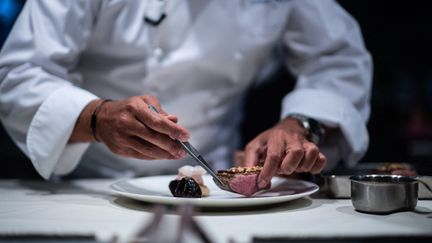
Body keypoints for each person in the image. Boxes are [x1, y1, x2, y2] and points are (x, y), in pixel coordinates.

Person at [0, 0, 372, 190]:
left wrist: (301, 122)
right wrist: (97, 117)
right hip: (92, 185)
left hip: (217, 187)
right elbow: (19, 72)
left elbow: (339, 57)